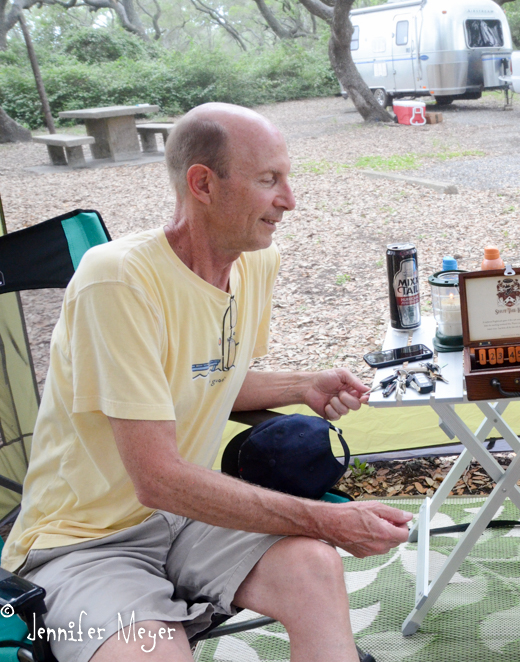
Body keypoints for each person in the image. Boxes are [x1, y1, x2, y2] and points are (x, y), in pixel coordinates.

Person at [0, 103, 412, 662]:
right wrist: (326, 519)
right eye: (268, 180)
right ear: (203, 184)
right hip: (84, 540)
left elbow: (203, 379)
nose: (289, 200)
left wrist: (301, 385)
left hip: (185, 520)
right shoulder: (117, 279)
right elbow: (158, 479)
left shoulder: (255, 262)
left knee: (313, 568)